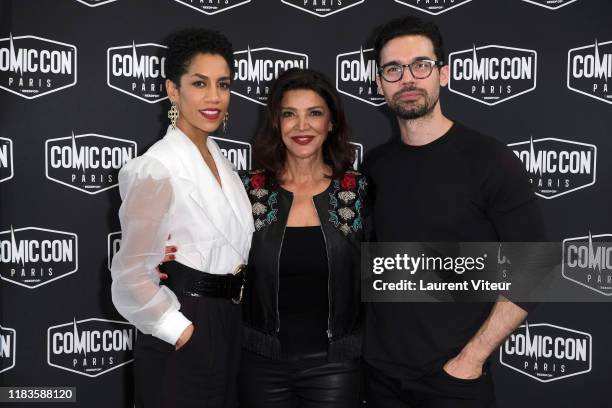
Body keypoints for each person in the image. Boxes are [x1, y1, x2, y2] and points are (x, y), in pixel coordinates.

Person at [362, 16, 546, 407]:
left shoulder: (489, 160)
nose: (407, 78)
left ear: (443, 74)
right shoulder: (374, 167)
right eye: (393, 69)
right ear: (379, 84)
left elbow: (537, 268)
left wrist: (470, 360)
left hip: (454, 382)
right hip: (379, 379)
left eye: (421, 65)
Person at [110, 28, 254, 408]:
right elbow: (130, 276)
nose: (214, 97)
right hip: (186, 324)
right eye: (199, 83)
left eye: (223, 84)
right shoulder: (157, 167)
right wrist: (182, 331)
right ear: (173, 90)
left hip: (229, 324)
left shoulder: (223, 162)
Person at [237, 68, 367, 408]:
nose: (302, 126)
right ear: (276, 124)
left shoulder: (357, 192)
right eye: (289, 115)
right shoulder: (249, 190)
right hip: (260, 363)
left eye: (315, 113)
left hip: (336, 366)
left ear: (332, 123)